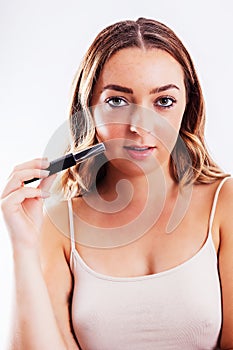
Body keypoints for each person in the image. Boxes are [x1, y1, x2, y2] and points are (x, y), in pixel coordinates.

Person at [1, 17, 233, 350]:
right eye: (117, 102)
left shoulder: (224, 204)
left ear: (187, 105)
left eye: (164, 102)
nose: (141, 126)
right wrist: (23, 248)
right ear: (88, 109)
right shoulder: (60, 226)